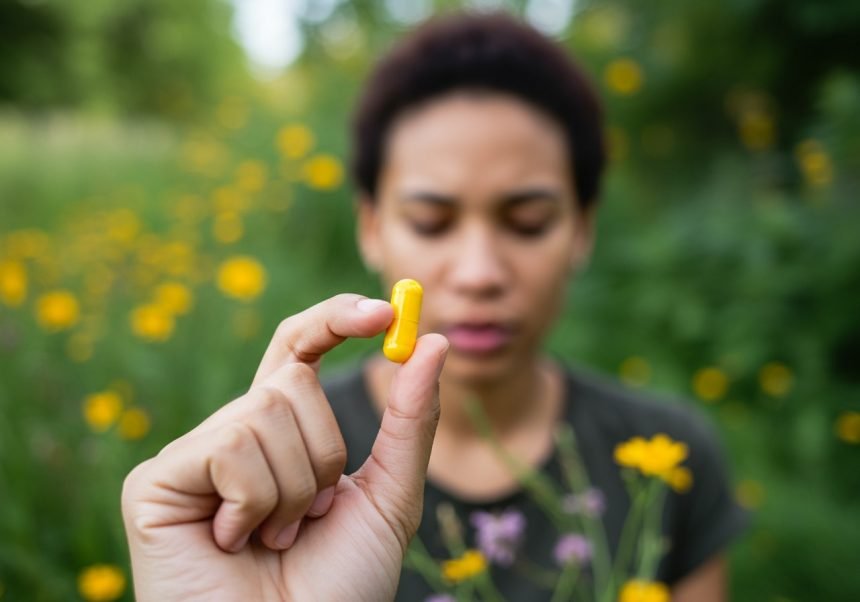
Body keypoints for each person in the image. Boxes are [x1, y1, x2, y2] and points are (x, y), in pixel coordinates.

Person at [121, 11, 748, 601]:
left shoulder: (669, 452)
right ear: (370, 227)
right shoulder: (278, 470)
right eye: (429, 222)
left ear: (582, 230)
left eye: (528, 223)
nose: (478, 274)